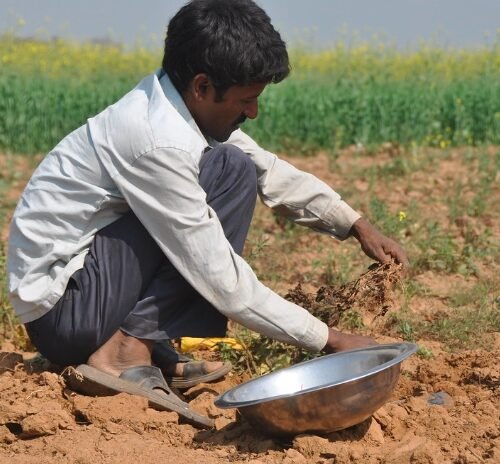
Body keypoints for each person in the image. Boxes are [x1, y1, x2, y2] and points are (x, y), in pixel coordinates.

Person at [7, 0, 407, 426]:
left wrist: (354, 223)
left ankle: (141, 342)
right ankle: (123, 352)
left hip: (86, 295)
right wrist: (329, 340)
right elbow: (220, 276)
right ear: (202, 86)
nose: (253, 112)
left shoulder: (176, 107)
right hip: (65, 314)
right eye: (247, 100)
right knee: (225, 178)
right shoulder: (157, 141)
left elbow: (266, 169)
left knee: (234, 168)